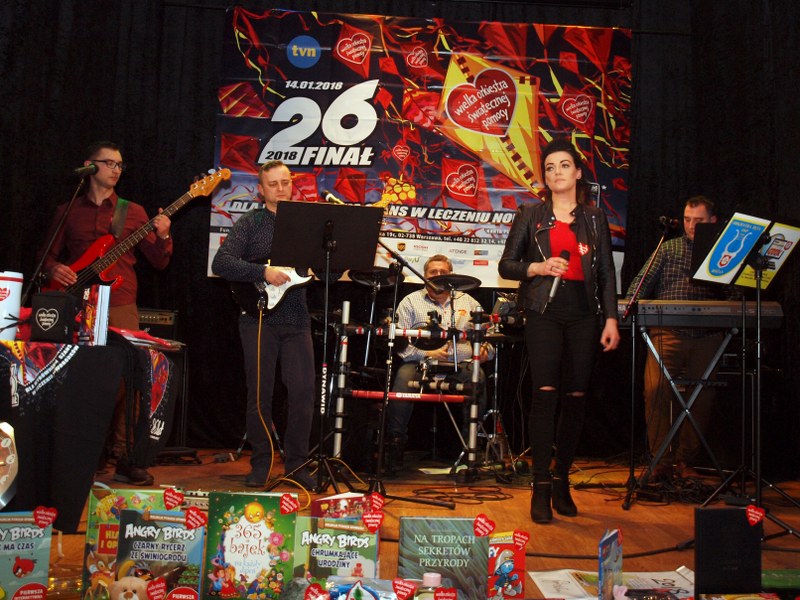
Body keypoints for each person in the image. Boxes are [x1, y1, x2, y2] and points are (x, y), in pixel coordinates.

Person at [498, 136, 620, 524]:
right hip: (543, 311)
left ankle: (561, 479)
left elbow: (606, 273)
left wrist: (611, 319)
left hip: (584, 314)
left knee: (577, 396)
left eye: (564, 165)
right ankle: (540, 486)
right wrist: (537, 267)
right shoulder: (530, 214)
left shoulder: (594, 218)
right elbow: (506, 265)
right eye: (550, 168)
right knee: (545, 394)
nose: (556, 172)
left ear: (578, 172)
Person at [42, 140, 173, 486]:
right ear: (90, 165)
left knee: (129, 380)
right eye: (109, 163)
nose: (116, 170)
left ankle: (125, 457)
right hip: (75, 304)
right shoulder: (68, 210)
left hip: (119, 302)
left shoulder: (134, 212)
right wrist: (55, 270)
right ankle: (81, 452)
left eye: (119, 165)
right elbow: (47, 258)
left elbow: (159, 261)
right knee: (78, 379)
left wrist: (163, 236)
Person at [211, 160, 316, 490]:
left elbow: (326, 272)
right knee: (260, 395)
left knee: (303, 393)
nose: (281, 189)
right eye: (273, 184)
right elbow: (221, 262)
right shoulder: (251, 222)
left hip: (297, 319)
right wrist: (263, 272)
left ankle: (297, 464)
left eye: (285, 182)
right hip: (257, 317)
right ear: (261, 189)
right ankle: (261, 464)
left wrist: (331, 259)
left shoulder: (305, 224)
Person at [625, 195, 731, 482]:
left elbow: (735, 295)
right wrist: (629, 304)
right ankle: (660, 459)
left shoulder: (723, 253)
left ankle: (686, 461)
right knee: (656, 389)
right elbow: (639, 284)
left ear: (713, 221)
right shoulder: (668, 248)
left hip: (708, 334)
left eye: (698, 221)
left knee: (702, 397)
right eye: (687, 219)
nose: (691, 225)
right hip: (667, 331)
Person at [385, 254, 493, 470]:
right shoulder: (410, 301)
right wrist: (429, 354)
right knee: (402, 380)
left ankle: (471, 446)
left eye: (443, 272)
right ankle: (394, 446)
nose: (438, 275)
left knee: (478, 378)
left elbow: (489, 339)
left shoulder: (469, 302)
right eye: (433, 272)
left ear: (451, 275)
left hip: (460, 364)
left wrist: (484, 351)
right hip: (420, 363)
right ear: (424, 276)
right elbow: (400, 345)